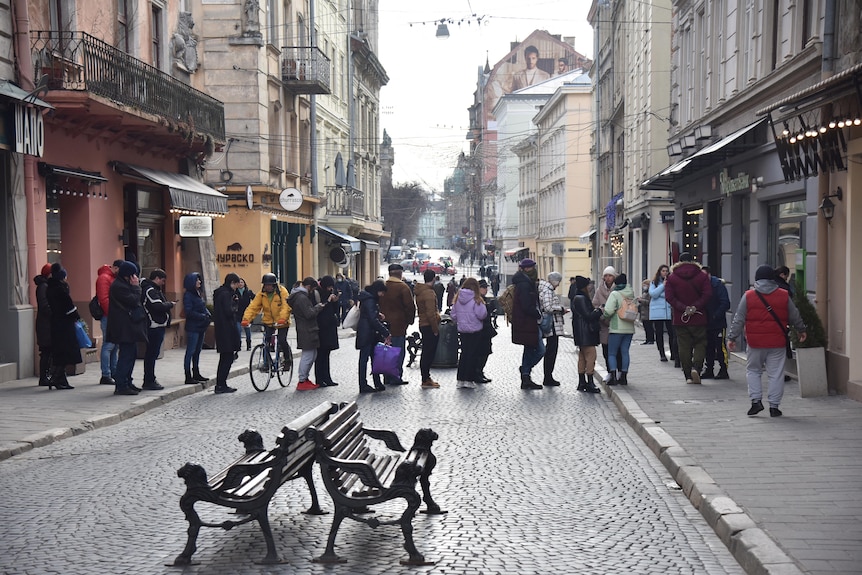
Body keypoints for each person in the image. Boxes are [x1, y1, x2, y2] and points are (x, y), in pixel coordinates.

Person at [728, 265, 807, 417]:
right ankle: (774, 406)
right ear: (773, 278)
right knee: (776, 373)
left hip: (755, 342)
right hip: (777, 342)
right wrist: (801, 329)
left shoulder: (749, 296)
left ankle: (756, 401)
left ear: (756, 279)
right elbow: (794, 314)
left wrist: (732, 337)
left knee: (753, 370)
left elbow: (739, 318)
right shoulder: (784, 295)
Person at [664, 252, 712, 384]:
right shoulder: (701, 276)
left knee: (684, 346)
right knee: (700, 343)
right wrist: (695, 307)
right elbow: (707, 294)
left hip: (681, 318)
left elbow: (669, 297)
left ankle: (688, 375)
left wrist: (683, 308)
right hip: (699, 317)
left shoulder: (672, 277)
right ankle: (697, 367)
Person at [107, 261, 148, 395]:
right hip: (123, 327)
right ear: (127, 275)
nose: (135, 277)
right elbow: (134, 300)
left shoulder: (123, 284)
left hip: (128, 326)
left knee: (132, 354)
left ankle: (127, 381)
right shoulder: (119, 286)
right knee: (126, 356)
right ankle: (121, 385)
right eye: (133, 274)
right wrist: (136, 287)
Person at [241, 273, 292, 370]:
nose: (267, 287)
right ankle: (267, 363)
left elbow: (286, 306)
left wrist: (283, 318)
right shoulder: (261, 294)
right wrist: (246, 319)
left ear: (274, 285)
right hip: (268, 321)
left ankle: (287, 359)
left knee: (281, 340)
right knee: (266, 343)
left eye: (270, 285)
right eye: (266, 285)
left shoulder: (282, 292)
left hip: (282, 322)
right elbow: (253, 307)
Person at [377, 263, 416, 386]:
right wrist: (409, 321)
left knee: (386, 352)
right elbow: (410, 307)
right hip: (398, 325)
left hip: (383, 325)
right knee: (398, 352)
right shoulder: (403, 288)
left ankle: (386, 376)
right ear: (400, 273)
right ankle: (395, 376)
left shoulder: (382, 286)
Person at [288, 277, 329, 390]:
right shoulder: (302, 298)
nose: (313, 292)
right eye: (313, 289)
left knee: (312, 354)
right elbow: (309, 314)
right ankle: (302, 380)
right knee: (308, 355)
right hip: (306, 329)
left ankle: (305, 378)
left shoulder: (300, 296)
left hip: (307, 329)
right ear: (309, 287)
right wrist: (318, 307)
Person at [44, 263, 78, 390]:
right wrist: (76, 314)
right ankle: (56, 378)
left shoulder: (51, 287)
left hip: (56, 323)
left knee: (60, 352)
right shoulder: (60, 289)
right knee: (65, 352)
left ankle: (61, 379)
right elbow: (68, 306)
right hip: (64, 324)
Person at [449, 277, 488, 389]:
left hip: (462, 330)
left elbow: (453, 315)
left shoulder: (458, 298)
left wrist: (462, 320)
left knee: (464, 354)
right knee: (473, 354)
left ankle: (460, 379)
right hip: (475, 330)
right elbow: (482, 315)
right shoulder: (476, 299)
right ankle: (469, 379)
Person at [511, 258, 544, 390]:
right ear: (525, 269)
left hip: (527, 323)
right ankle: (525, 370)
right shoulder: (524, 284)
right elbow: (526, 305)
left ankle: (526, 377)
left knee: (529, 349)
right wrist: (537, 313)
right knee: (541, 350)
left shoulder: (527, 282)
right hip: (527, 322)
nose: (533, 270)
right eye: (531, 268)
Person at [141, 269, 175, 390]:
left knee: (153, 354)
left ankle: (150, 378)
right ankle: (149, 380)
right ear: (156, 278)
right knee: (151, 354)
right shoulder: (150, 290)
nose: (163, 283)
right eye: (162, 280)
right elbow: (158, 306)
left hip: (158, 325)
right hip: (154, 326)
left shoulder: (155, 290)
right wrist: (170, 304)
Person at [355, 279, 391, 393]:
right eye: (382, 292)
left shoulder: (368, 298)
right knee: (365, 359)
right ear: (377, 290)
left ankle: (376, 382)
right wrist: (385, 332)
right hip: (368, 334)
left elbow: (369, 315)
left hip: (368, 333)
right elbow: (372, 320)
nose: (382, 295)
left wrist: (377, 314)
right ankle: (364, 384)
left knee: (372, 358)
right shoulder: (370, 300)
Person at [602, 274, 636, 385]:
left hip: (616, 328)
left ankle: (613, 376)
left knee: (612, 353)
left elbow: (608, 310)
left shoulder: (615, 294)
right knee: (625, 352)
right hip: (629, 328)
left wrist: (604, 317)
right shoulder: (631, 292)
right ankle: (624, 376)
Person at [571, 276, 602, 393]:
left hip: (580, 332)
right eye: (588, 285)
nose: (589, 287)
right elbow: (588, 316)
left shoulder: (577, 297)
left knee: (582, 357)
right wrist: (599, 311)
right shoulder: (581, 298)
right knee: (591, 356)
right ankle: (589, 382)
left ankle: (581, 382)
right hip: (586, 332)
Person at [212, 273, 241, 394]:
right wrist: (235, 305)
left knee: (224, 357)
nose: (236, 287)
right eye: (236, 284)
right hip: (227, 329)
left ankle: (221, 384)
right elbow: (229, 311)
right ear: (232, 283)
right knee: (227, 358)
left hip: (221, 328)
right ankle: (221, 384)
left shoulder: (220, 293)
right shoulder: (225, 294)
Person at [700, 266, 731, 380]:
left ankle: (723, 369)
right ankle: (709, 370)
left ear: (708, 275)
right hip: (706, 322)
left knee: (720, 346)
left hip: (718, 322)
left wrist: (715, 315)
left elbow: (725, 303)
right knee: (708, 347)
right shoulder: (701, 286)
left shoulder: (717, 285)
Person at [538, 271, 568, 386]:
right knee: (551, 351)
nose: (559, 285)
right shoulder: (547, 291)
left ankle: (548, 376)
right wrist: (560, 309)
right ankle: (548, 377)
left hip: (553, 324)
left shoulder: (547, 290)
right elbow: (548, 307)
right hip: (552, 326)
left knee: (551, 351)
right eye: (558, 282)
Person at [593, 266, 622, 382]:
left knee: (618, 351)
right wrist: (602, 315)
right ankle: (611, 372)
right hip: (604, 325)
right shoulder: (599, 290)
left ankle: (620, 372)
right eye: (606, 276)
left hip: (617, 324)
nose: (608, 278)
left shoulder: (619, 289)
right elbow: (595, 305)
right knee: (606, 351)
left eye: (610, 275)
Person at [95, 260, 122, 385]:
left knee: (114, 345)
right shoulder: (104, 278)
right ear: (115, 268)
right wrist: (112, 314)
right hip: (108, 316)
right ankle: (106, 374)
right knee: (109, 345)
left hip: (112, 315)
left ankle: (113, 372)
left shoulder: (109, 277)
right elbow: (104, 298)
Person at [182, 272, 211, 385]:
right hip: (193, 327)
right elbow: (189, 312)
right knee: (191, 351)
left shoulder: (198, 293)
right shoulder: (188, 295)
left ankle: (196, 372)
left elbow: (202, 307)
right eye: (197, 280)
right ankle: (188, 375)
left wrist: (207, 314)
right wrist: (202, 316)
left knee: (197, 351)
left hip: (200, 326)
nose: (199, 281)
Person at [414, 269, 441, 388]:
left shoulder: (421, 291)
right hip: (429, 326)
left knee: (426, 351)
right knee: (428, 353)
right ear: (433, 278)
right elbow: (431, 313)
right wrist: (435, 329)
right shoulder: (429, 293)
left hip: (423, 323)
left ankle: (425, 377)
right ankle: (426, 378)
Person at [314, 276, 341, 387]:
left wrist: (335, 301)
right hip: (321, 328)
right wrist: (328, 300)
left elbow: (334, 309)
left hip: (329, 327)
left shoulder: (330, 292)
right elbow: (319, 308)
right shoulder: (317, 293)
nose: (330, 289)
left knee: (326, 354)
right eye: (329, 287)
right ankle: (319, 379)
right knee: (320, 355)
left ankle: (327, 378)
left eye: (331, 287)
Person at [649, 264, 677, 363]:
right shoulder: (654, 283)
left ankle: (673, 353)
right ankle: (662, 353)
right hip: (657, 311)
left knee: (672, 333)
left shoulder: (671, 282)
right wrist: (662, 286)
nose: (664, 273)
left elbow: (671, 294)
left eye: (666, 271)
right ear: (659, 272)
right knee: (659, 333)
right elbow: (653, 294)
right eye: (663, 271)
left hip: (669, 311)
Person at [34, 263, 53, 387]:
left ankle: (46, 375)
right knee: (46, 351)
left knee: (48, 351)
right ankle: (43, 377)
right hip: (45, 324)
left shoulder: (45, 285)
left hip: (46, 323)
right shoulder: (43, 286)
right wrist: (54, 312)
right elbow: (44, 305)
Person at [475, 279, 497, 383]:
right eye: (484, 288)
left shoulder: (483, 299)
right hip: (481, 330)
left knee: (486, 352)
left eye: (486, 287)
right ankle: (477, 372)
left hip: (485, 329)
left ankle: (480, 371)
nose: (486, 289)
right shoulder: (478, 299)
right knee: (481, 352)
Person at [235, 278, 255, 351]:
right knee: (238, 330)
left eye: (242, 282)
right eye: (239, 282)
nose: (240, 284)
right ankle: (238, 345)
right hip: (237, 314)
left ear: (244, 283)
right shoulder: (235, 292)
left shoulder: (248, 292)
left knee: (247, 330)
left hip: (247, 314)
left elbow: (256, 299)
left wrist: (252, 308)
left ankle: (248, 344)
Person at [639, 279, 655, 345]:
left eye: (645, 285)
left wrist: (641, 300)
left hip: (648, 313)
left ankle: (651, 339)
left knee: (649, 327)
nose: (644, 286)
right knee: (646, 327)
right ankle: (647, 339)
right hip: (644, 313)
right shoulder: (644, 293)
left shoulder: (650, 293)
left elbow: (649, 302)